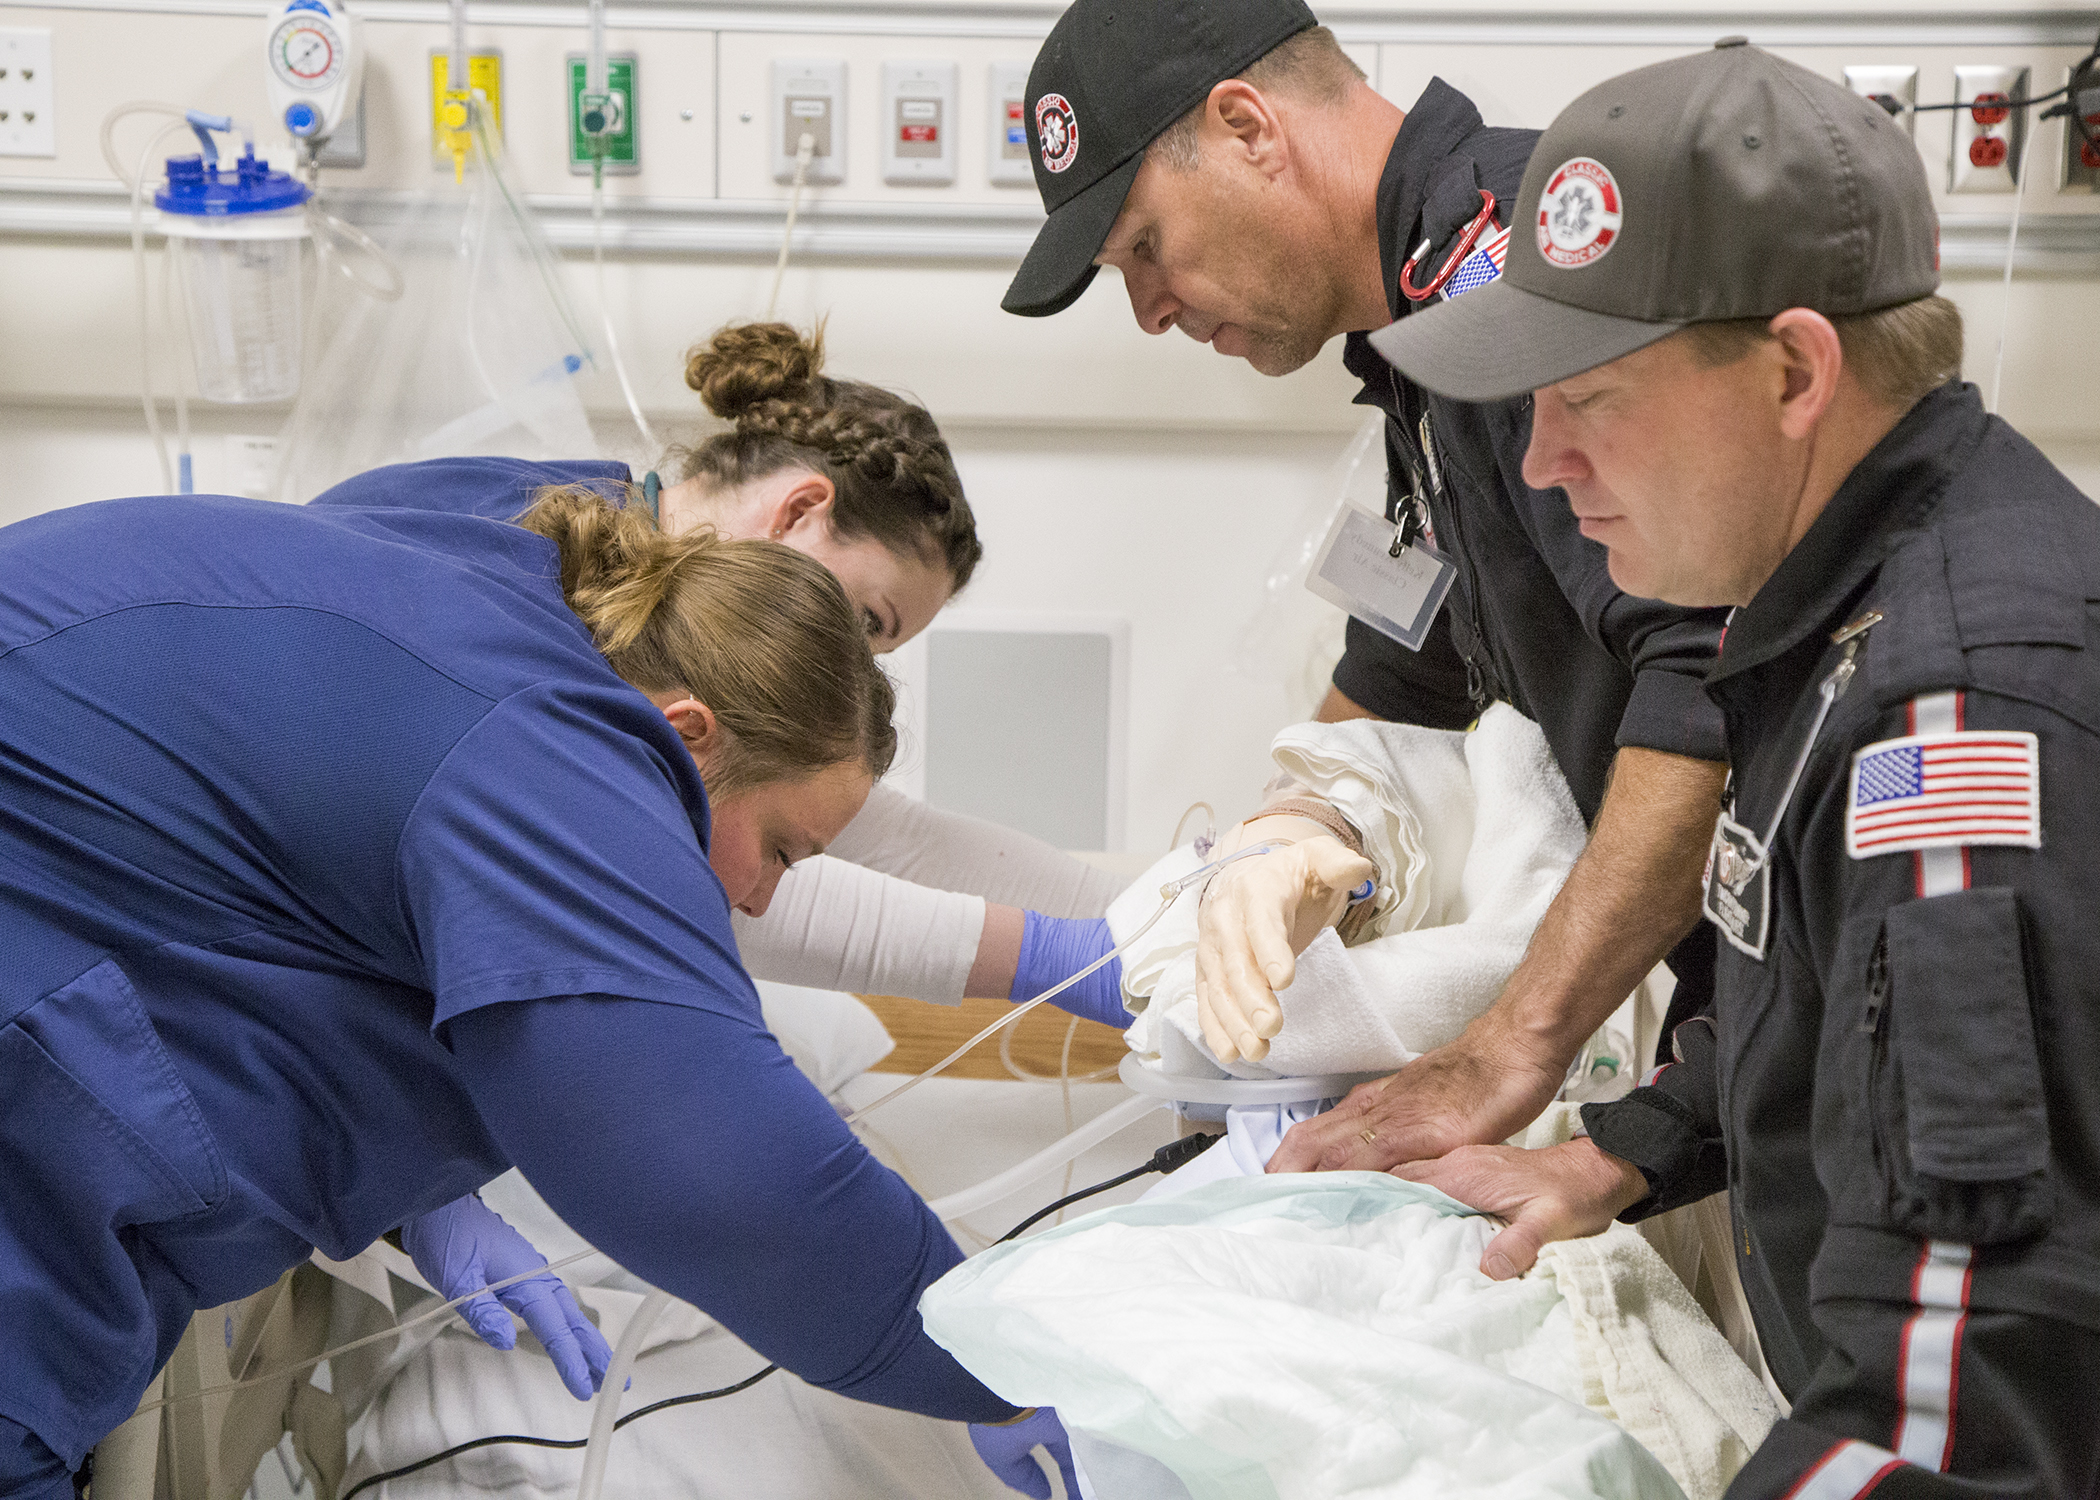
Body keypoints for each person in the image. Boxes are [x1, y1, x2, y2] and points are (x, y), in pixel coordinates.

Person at [0, 483, 1076, 1497]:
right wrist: (999, 1362)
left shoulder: (505, 615)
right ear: (689, 734)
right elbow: (726, 1166)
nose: (755, 898)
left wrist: (421, 1194)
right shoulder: (551, 749)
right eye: (783, 850)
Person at [1374, 42, 2099, 1494]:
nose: (1541, 468)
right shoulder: (1823, 606)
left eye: (1588, 398)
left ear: (1791, 373)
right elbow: (1834, 1013)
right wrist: (1620, 1153)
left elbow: (1968, 1387)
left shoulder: (1950, 724)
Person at [1002, 0, 1731, 1173]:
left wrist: (1510, 1047)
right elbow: (1406, 679)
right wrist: (1267, 854)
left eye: (1143, 246)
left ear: (1248, 127)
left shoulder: (1526, 282)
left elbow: (1710, 684)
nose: (1149, 311)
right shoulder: (1423, 341)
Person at [311, 320, 1129, 1018]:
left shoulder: (620, 544)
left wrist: (1149, 912)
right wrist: (1050, 959)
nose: (855, 667)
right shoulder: (551, 589)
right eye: (867, 622)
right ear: (801, 512)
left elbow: (887, 836)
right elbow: (696, 885)